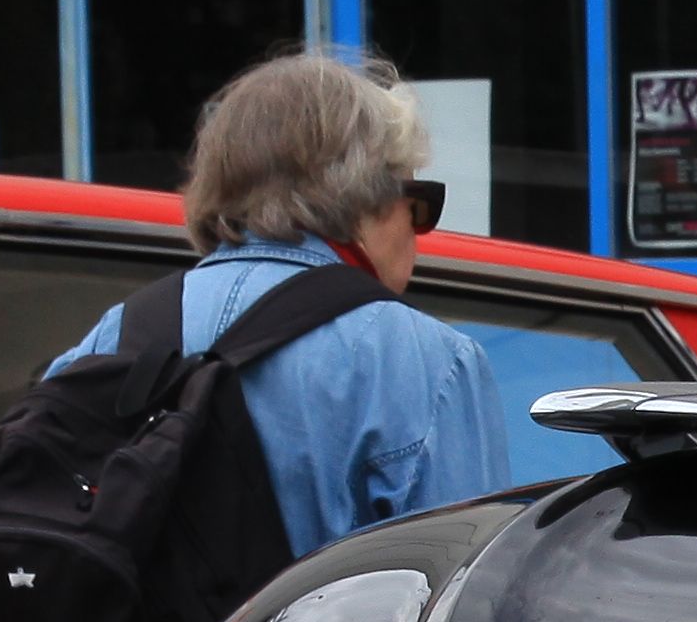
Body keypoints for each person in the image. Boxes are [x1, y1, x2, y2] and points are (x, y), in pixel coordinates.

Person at [54, 52, 525, 544]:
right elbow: (462, 587)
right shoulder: (424, 361)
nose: (418, 230)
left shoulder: (113, 335)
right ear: (367, 195)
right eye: (419, 203)